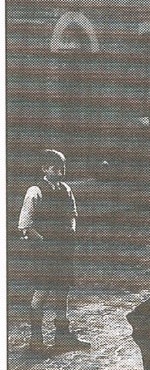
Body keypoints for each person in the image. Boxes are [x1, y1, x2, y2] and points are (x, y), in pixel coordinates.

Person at [18, 149, 90, 354]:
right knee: (41, 291)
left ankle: (62, 335)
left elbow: (72, 214)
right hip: (45, 251)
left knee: (62, 289)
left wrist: (71, 230)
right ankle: (36, 339)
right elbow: (25, 225)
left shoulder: (66, 189)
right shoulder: (35, 191)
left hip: (64, 248)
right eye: (55, 168)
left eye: (63, 168)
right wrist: (44, 242)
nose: (60, 172)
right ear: (44, 169)